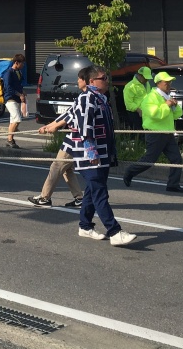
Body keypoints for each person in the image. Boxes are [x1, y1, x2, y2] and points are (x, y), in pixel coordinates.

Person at [70, 66, 136, 246]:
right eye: (103, 78)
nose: (107, 80)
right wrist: (91, 151)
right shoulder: (87, 98)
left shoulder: (101, 98)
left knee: (92, 191)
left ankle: (85, 226)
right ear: (92, 81)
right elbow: (84, 126)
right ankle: (114, 231)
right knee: (100, 192)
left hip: (103, 152)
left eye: (106, 77)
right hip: (89, 154)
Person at [28, 68, 86, 208]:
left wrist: (54, 126)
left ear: (86, 80)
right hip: (73, 138)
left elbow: (70, 116)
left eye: (79, 78)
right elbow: (67, 114)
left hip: (76, 139)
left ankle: (44, 197)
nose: (77, 81)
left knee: (57, 166)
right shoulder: (83, 97)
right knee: (67, 169)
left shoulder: (85, 98)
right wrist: (50, 125)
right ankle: (79, 198)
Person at [122, 72, 183, 193]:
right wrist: (167, 105)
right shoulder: (150, 97)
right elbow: (154, 114)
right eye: (166, 82)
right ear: (158, 83)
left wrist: (175, 106)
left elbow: (177, 115)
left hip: (167, 133)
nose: (169, 84)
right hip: (155, 133)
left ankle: (173, 184)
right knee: (149, 160)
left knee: (176, 159)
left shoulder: (167, 97)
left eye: (170, 82)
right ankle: (129, 171)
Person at [2, 53, 27, 148]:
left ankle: (10, 139)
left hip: (16, 99)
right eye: (22, 63)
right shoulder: (8, 73)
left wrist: (22, 91)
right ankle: (9, 139)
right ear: (16, 62)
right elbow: (8, 87)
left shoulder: (19, 72)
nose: (23, 65)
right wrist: (19, 94)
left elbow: (18, 85)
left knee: (13, 121)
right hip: (10, 99)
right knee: (17, 119)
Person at [122, 66, 153, 133]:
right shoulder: (130, 87)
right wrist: (138, 110)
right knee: (140, 134)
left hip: (146, 112)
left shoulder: (147, 84)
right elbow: (128, 104)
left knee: (147, 133)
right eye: (145, 78)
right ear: (140, 75)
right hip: (135, 113)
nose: (147, 80)